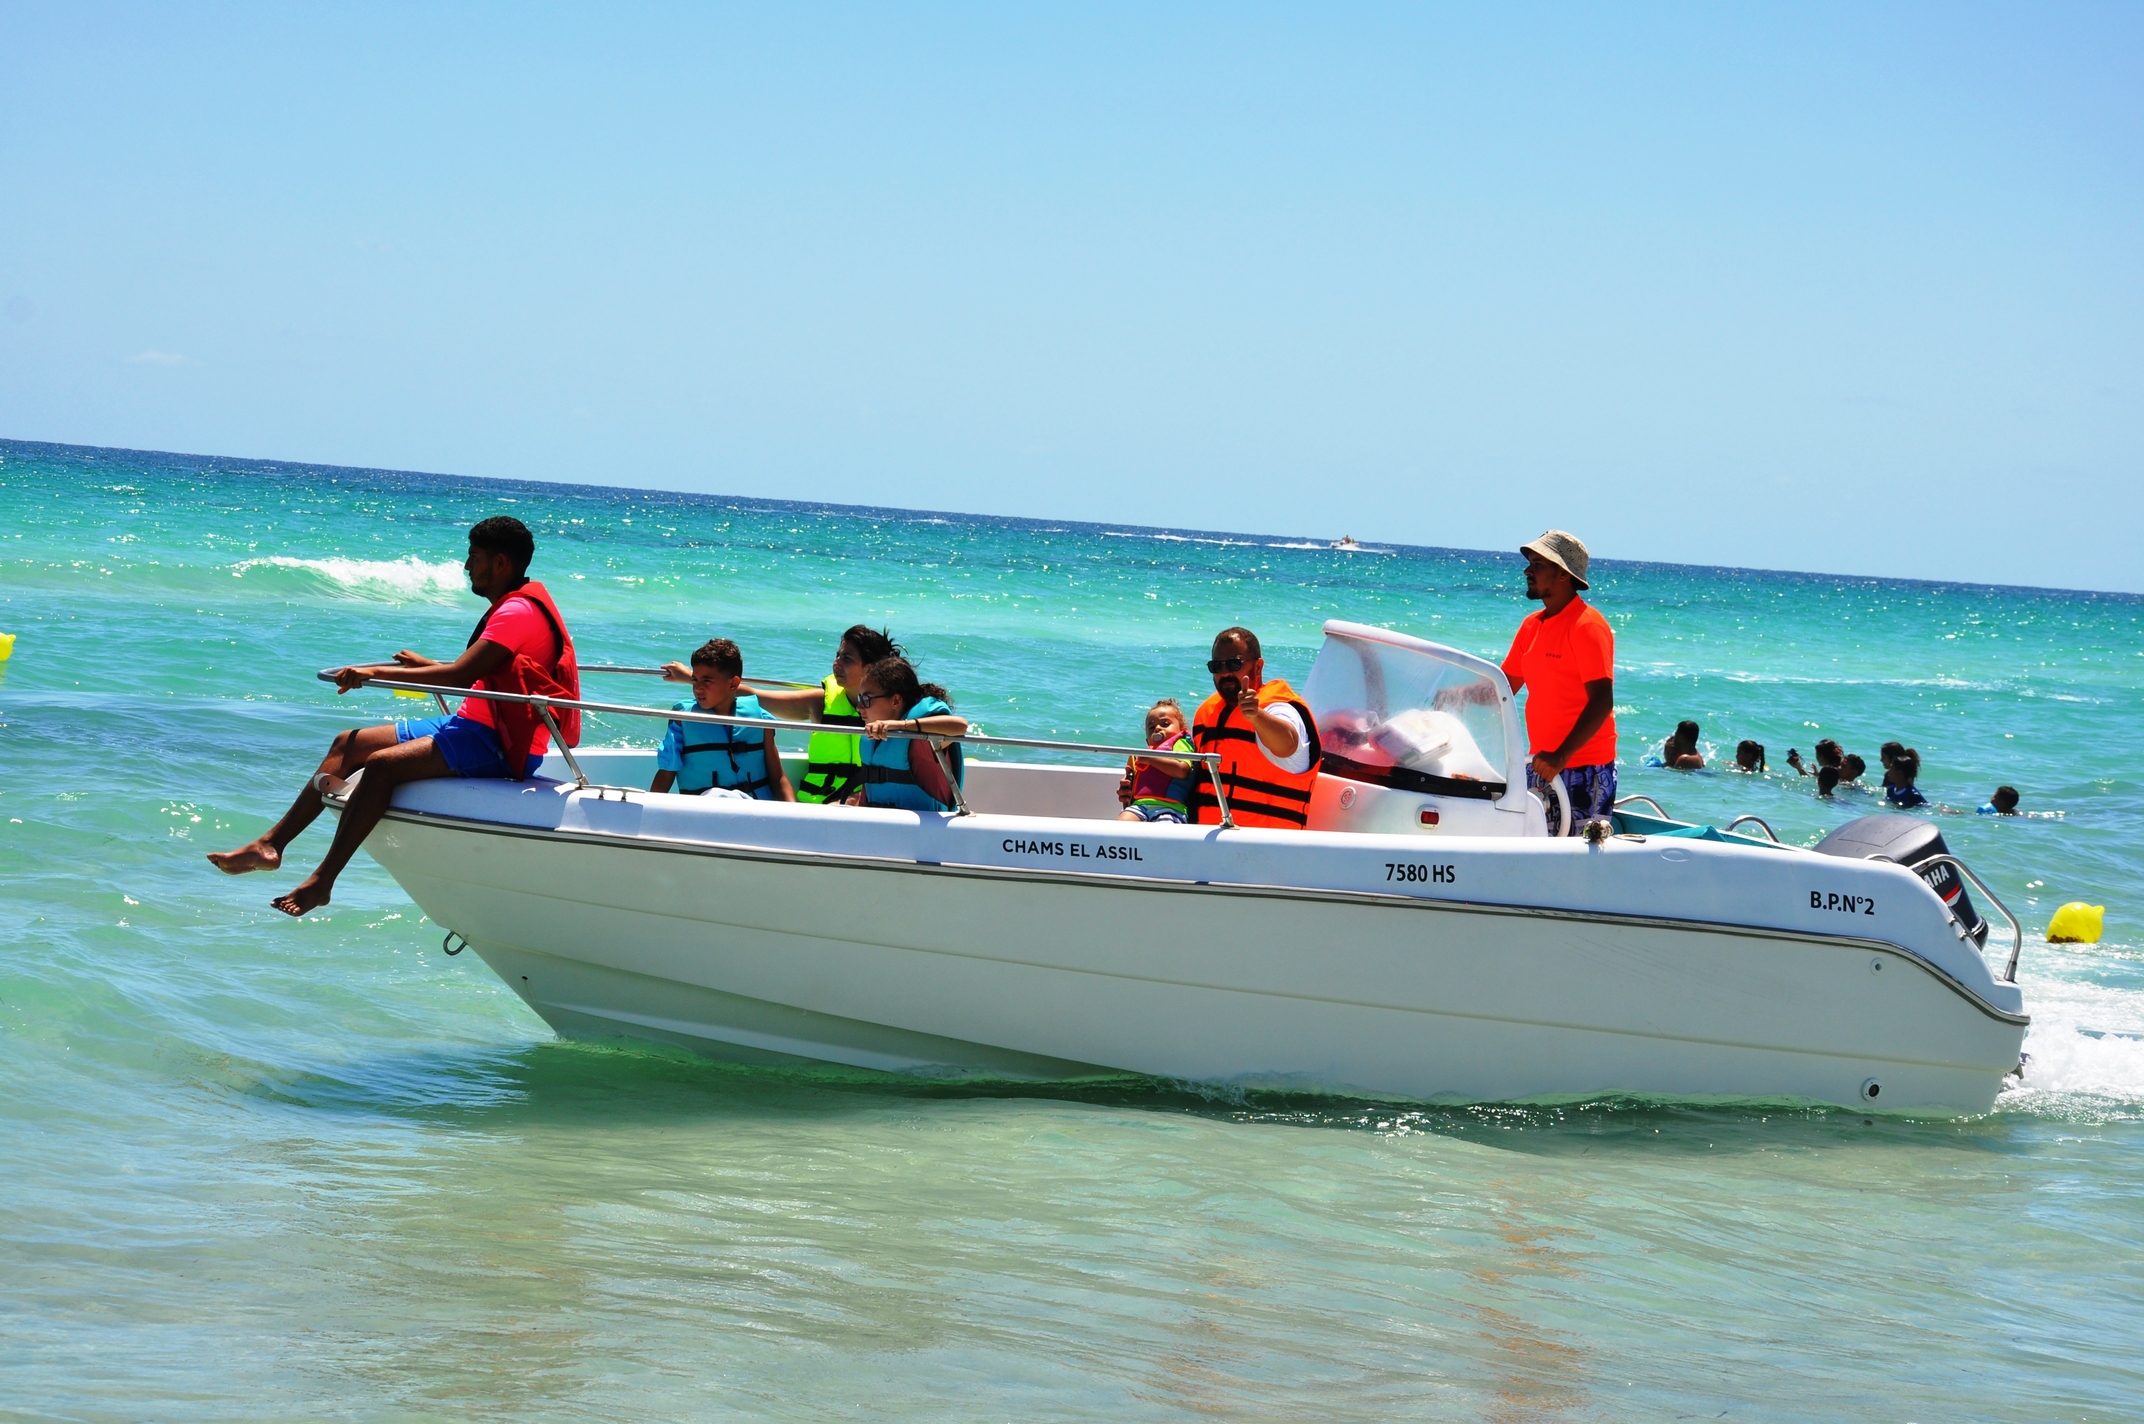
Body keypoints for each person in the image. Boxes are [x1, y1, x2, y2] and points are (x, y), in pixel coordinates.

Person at [208, 516, 579, 917]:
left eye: (474, 557)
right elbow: (482, 667)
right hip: (472, 723)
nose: (467, 566)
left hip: (497, 742)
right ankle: (271, 845)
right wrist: (425, 664)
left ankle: (323, 880)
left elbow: (461, 675)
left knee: (381, 766)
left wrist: (376, 672)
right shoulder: (515, 605)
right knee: (349, 743)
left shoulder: (517, 612)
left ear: (501, 562)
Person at [664, 624, 898, 804]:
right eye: (837, 655)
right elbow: (756, 696)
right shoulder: (820, 703)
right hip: (817, 808)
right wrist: (690, 678)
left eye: (846, 659)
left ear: (870, 667)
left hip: (860, 808)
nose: (836, 663)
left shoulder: (894, 711)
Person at [1500, 531, 1616, 835]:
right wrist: (1448, 700)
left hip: (1583, 770)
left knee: (1575, 866)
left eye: (1538, 564)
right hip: (1540, 765)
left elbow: (1602, 700)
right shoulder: (1531, 626)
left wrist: (1561, 756)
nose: (1527, 571)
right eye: (1530, 563)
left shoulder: (1587, 626)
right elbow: (1503, 688)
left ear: (1563, 574)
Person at [1186, 627, 1322, 829]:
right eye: (1216, 666)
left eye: (1234, 664)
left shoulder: (1280, 708)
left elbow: (1288, 744)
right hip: (1208, 845)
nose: (1224, 673)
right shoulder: (1206, 713)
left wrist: (1257, 715)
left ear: (1258, 667)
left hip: (1266, 848)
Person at [650, 639, 794, 801]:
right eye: (695, 679)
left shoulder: (761, 721)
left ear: (733, 684)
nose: (698, 688)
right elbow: (665, 775)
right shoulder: (682, 722)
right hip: (707, 812)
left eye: (707, 681)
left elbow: (778, 778)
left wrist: (795, 815)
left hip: (755, 812)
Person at [844, 656, 969, 812]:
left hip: (923, 830)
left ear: (896, 701)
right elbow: (868, 791)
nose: (859, 707)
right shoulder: (871, 739)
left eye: (867, 699)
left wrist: (901, 725)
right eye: (859, 698)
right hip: (879, 824)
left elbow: (959, 726)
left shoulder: (921, 740)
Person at [1117, 699, 1197, 823]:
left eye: (1165, 724)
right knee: (1122, 823)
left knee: (1163, 831)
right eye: (1151, 727)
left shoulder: (1180, 743)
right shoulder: (1145, 756)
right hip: (1139, 806)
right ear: (1148, 740)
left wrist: (1151, 759)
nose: (1157, 728)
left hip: (1170, 808)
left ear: (1181, 729)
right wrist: (1127, 784)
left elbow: (1182, 770)